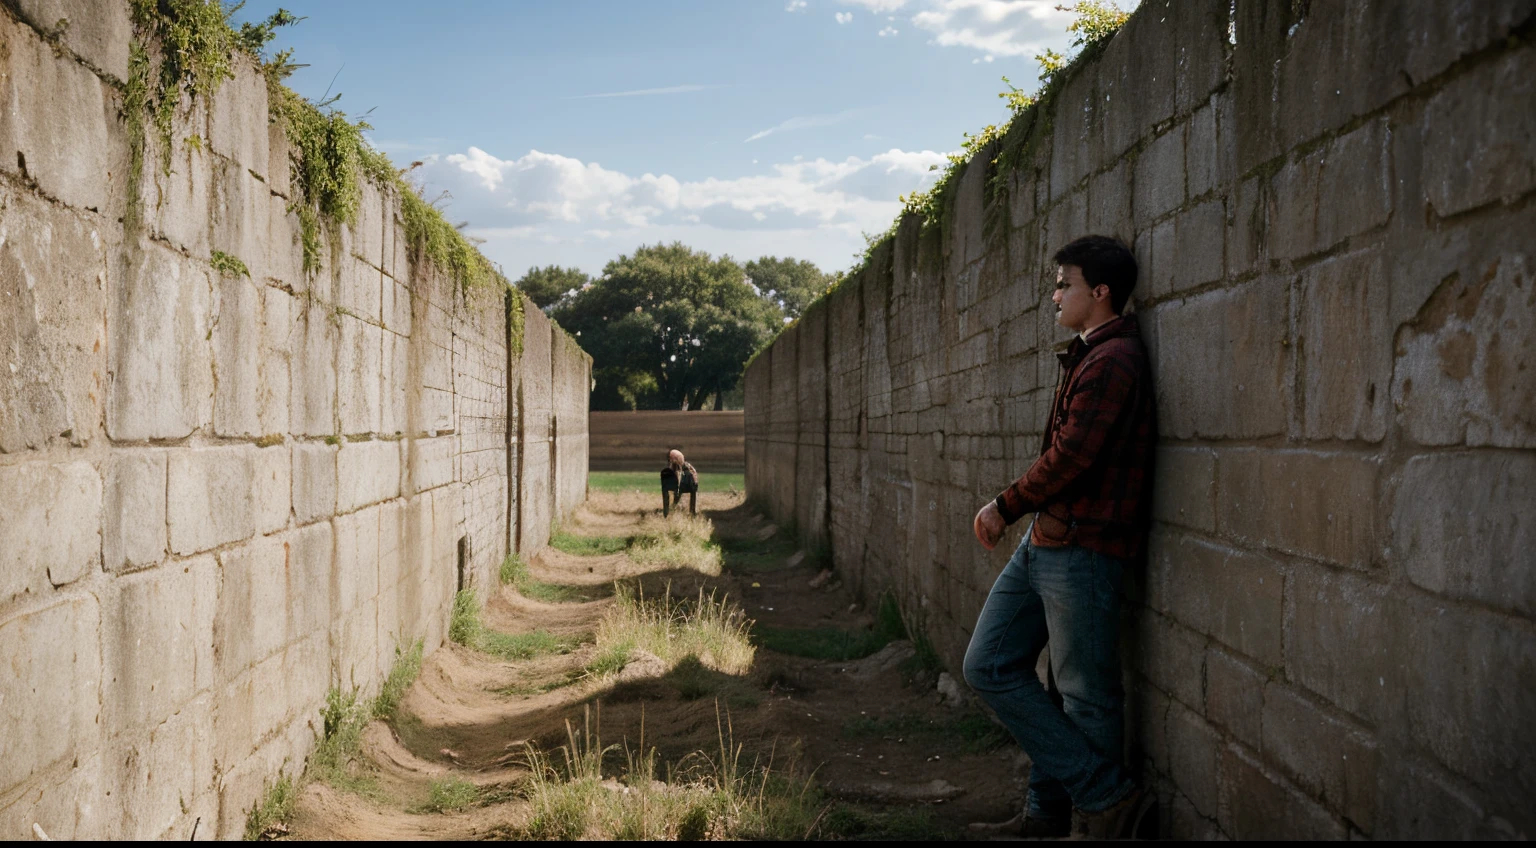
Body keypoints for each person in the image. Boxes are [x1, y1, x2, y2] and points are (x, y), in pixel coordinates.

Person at [963, 235, 1157, 840]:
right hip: (1048, 543)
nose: (1055, 293)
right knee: (990, 665)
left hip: (1085, 548)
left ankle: (1098, 812)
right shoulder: (1089, 353)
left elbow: (1072, 457)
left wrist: (1005, 505)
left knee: (1084, 696)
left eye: (1064, 283)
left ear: (1099, 292)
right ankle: (1057, 813)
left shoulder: (1113, 360)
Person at [660, 449, 699, 517]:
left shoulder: (677, 468)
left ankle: (671, 509)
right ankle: (691, 512)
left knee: (677, 490)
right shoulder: (688, 467)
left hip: (682, 485)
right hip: (688, 485)